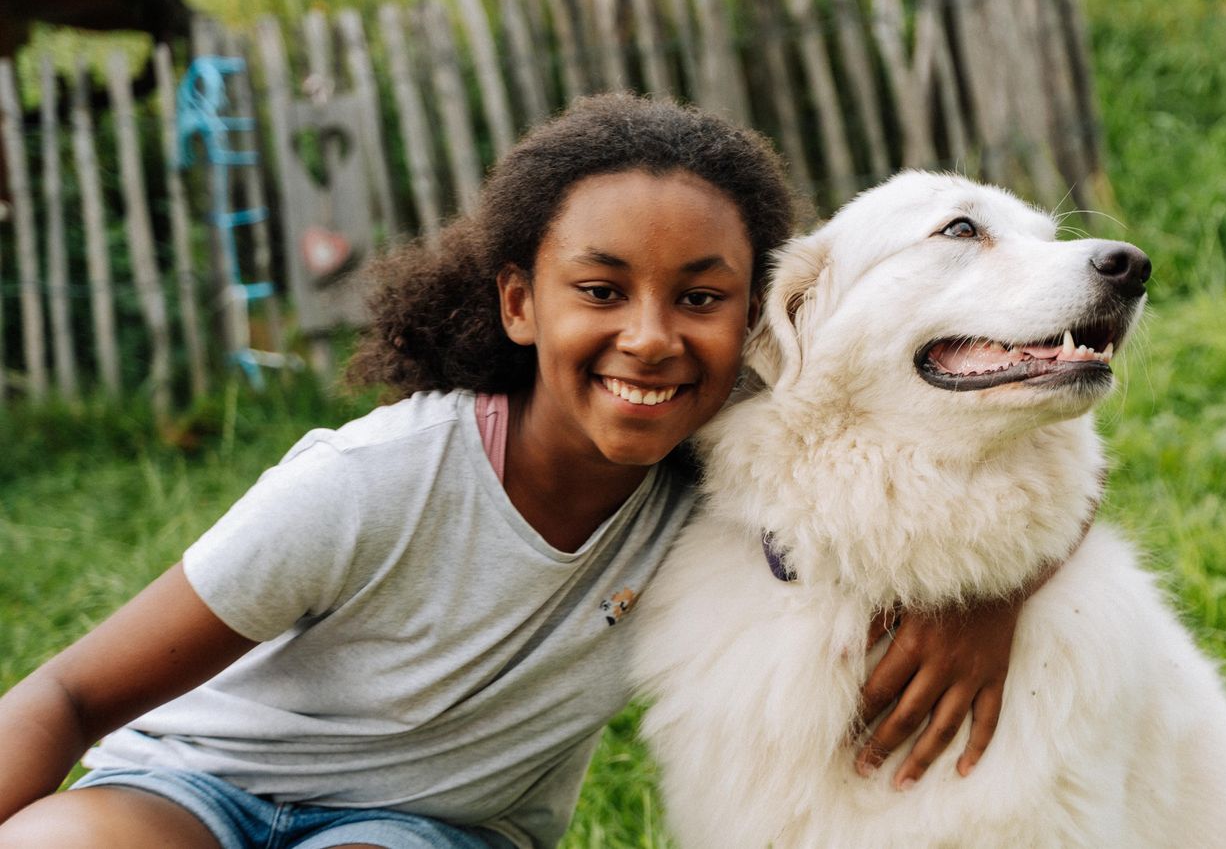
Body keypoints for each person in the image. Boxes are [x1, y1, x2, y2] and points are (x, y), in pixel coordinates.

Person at [0, 95, 1029, 849]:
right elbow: (69, 694)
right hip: (196, 794)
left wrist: (996, 589)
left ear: (757, 322)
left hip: (429, 831)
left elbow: (956, 461)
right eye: (600, 289)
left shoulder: (735, 476)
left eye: (701, 298)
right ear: (521, 304)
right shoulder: (374, 482)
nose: (650, 337)